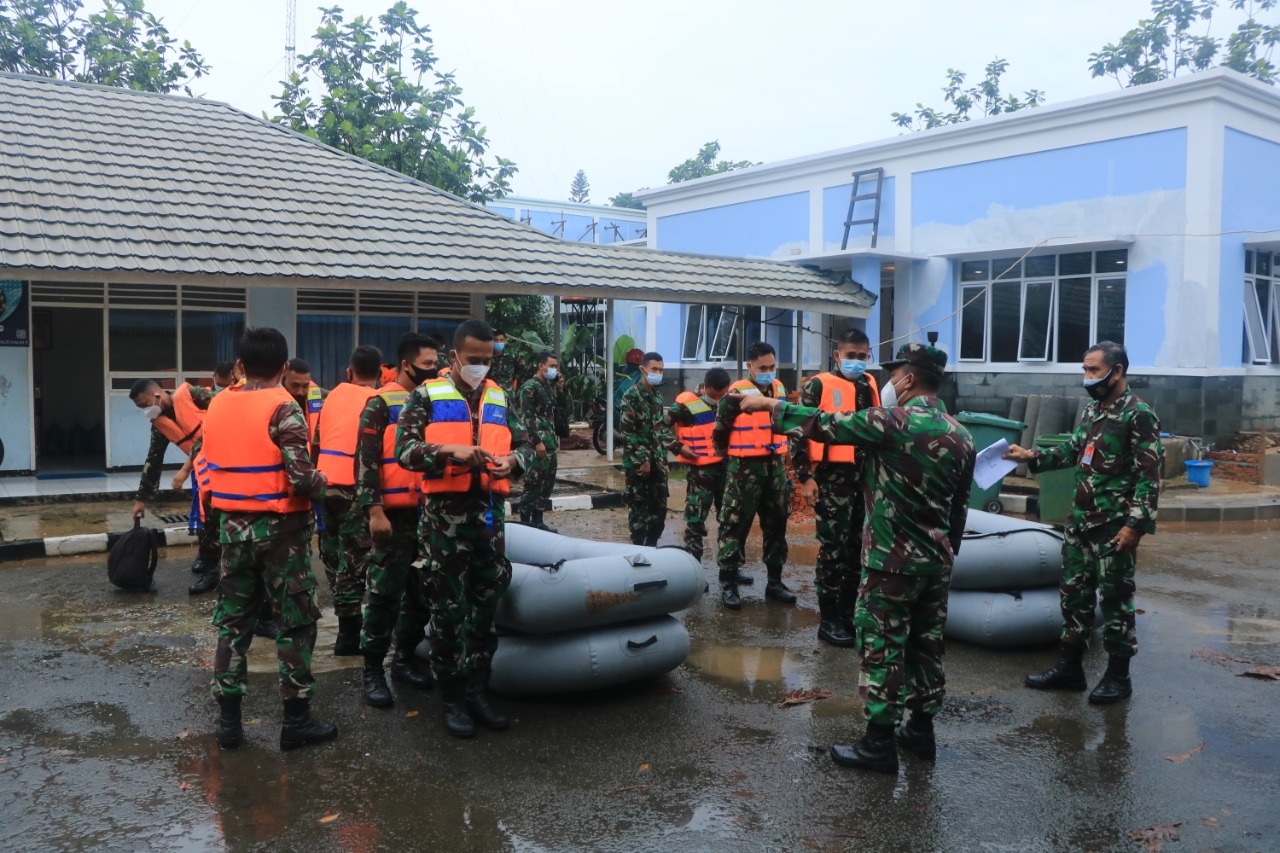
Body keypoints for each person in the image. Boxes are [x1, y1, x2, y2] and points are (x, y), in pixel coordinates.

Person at [739, 343, 975, 775]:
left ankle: (878, 745)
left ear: (908, 378)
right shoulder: (961, 433)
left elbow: (826, 424)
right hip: (936, 564)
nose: (887, 381)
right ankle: (920, 733)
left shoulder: (891, 422)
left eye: (894, 373)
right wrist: (945, 552)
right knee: (926, 648)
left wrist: (770, 403)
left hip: (890, 565)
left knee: (883, 649)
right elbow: (959, 508)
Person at [1004, 341, 1162, 705]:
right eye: (1085, 370)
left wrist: (1135, 526)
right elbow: (1073, 450)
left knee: (1115, 600)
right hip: (1080, 523)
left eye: (1093, 370)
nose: (1087, 377)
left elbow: (1149, 476)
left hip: (1113, 527)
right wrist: (1031, 457)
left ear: (1117, 371)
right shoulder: (1094, 412)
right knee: (1074, 597)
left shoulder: (1138, 415)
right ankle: (1070, 668)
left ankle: (1118, 675)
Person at [395, 319, 532, 738]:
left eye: (488, 360)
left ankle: (477, 690)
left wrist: (514, 462)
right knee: (448, 612)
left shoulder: (499, 397)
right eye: (474, 360)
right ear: (454, 356)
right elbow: (405, 451)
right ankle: (451, 697)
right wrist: (447, 451)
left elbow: (527, 445)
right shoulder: (426, 395)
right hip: (445, 521)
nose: (481, 367)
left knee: (484, 610)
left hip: (490, 518)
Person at [202, 326, 336, 752]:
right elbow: (301, 479)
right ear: (283, 367)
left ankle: (228, 725)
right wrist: (326, 481)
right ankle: (295, 724)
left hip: (231, 530)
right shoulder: (284, 408)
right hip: (280, 535)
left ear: (240, 367)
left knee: (233, 623)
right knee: (295, 624)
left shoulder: (218, 404)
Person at [355, 333, 440, 708]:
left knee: (422, 594)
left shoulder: (438, 399)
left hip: (430, 513)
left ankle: (404, 659)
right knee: (385, 595)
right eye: (426, 365)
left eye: (436, 363)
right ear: (406, 365)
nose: (433, 370)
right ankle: (373, 670)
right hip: (394, 515)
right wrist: (373, 511)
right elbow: (366, 461)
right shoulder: (380, 402)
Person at [789, 328, 880, 647]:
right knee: (833, 550)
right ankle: (828, 620)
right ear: (837, 355)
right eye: (850, 355)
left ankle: (848, 614)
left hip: (864, 478)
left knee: (858, 550)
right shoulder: (818, 385)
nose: (856, 361)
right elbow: (798, 430)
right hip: (831, 477)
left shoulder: (869, 385)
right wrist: (805, 477)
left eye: (862, 356)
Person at [711, 342, 794, 610]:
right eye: (763, 368)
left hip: (775, 468)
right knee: (735, 524)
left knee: (777, 524)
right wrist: (730, 457)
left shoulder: (779, 389)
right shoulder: (735, 395)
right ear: (750, 367)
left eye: (772, 367)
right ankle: (728, 581)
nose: (769, 372)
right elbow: (720, 431)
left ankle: (775, 582)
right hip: (745, 468)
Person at [313, 346, 384, 655]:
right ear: (381, 375)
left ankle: (345, 619)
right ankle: (348, 634)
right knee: (353, 562)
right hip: (354, 489)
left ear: (348, 373)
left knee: (331, 555)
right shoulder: (377, 401)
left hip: (324, 485)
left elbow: (315, 443)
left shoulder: (332, 398)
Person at [129, 377, 220, 595]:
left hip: (229, 461)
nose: (145, 411)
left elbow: (225, 411)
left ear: (157, 395)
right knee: (208, 518)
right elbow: (153, 460)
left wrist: (185, 469)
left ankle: (223, 571)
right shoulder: (160, 425)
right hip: (206, 470)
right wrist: (141, 499)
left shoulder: (191, 395)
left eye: (144, 405)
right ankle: (210, 567)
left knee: (225, 517)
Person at [666, 367, 731, 563]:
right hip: (701, 475)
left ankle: (729, 569)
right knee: (695, 523)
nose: (718, 400)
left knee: (729, 521)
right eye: (713, 396)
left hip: (728, 471)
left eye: (722, 396)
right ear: (703, 387)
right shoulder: (687, 405)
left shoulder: (734, 403)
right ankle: (694, 571)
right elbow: (658, 426)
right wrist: (678, 446)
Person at [618, 352, 672, 547]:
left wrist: (663, 461)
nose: (658, 373)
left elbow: (659, 431)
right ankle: (639, 547)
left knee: (660, 508)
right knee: (639, 507)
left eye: (661, 370)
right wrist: (643, 460)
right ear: (643, 369)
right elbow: (627, 432)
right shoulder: (630, 395)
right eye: (654, 369)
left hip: (657, 461)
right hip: (638, 463)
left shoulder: (657, 397)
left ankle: (652, 545)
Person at [516, 351, 560, 532]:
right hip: (539, 443)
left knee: (547, 483)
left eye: (556, 367)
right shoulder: (529, 387)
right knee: (534, 482)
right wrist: (536, 441)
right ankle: (525, 522)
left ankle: (538, 520)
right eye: (551, 366)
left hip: (550, 442)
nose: (554, 370)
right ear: (540, 365)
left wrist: (561, 388)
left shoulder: (548, 386)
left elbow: (558, 410)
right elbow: (527, 417)